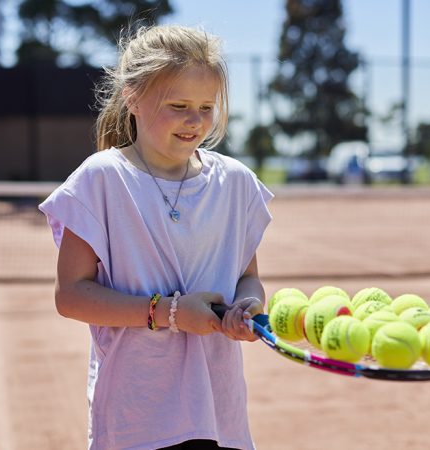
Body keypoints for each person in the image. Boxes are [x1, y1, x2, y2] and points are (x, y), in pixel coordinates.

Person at [39, 25, 273, 450]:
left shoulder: (237, 183)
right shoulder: (100, 180)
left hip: (220, 414)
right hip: (137, 420)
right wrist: (170, 313)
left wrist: (248, 308)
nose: (195, 121)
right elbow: (70, 296)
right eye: (179, 105)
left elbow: (248, 278)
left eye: (206, 107)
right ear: (132, 97)